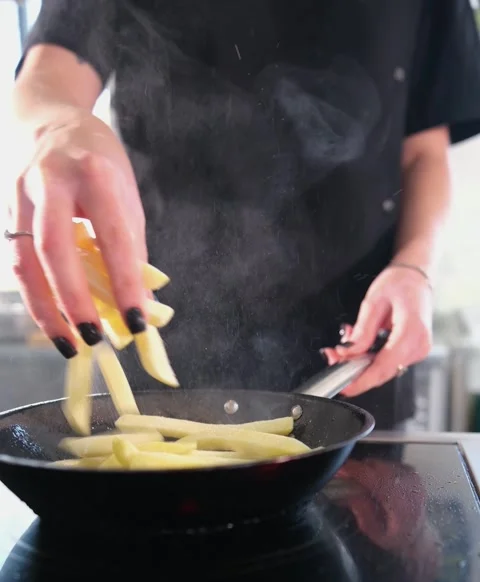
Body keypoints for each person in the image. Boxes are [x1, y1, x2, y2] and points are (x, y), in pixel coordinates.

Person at [7, 0, 480, 428]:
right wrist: (59, 125)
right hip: (167, 361)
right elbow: (50, 74)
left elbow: (425, 153)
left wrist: (414, 267)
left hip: (358, 357)